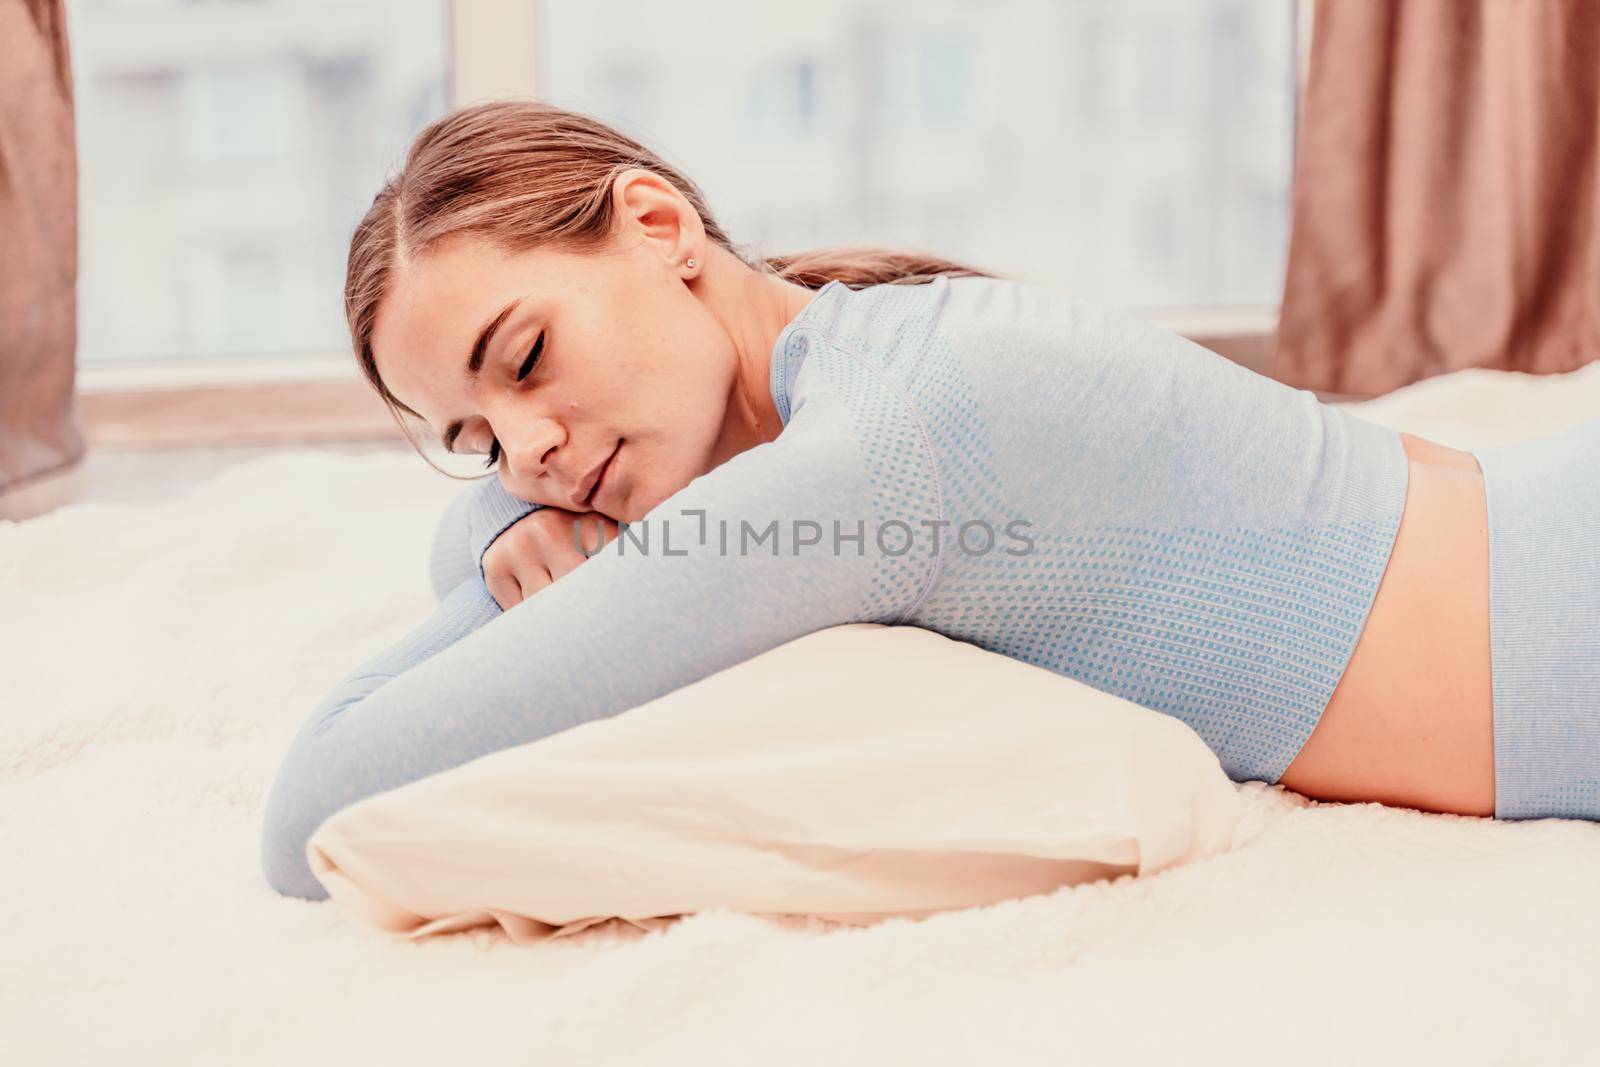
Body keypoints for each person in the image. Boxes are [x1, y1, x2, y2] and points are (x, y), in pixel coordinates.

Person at [261, 99, 1600, 900]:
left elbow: (312, 806)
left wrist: (503, 538)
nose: (531, 450)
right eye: (473, 437)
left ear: (659, 228)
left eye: (530, 361)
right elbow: (472, 544)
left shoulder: (887, 454)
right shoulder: (861, 365)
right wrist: (496, 521)